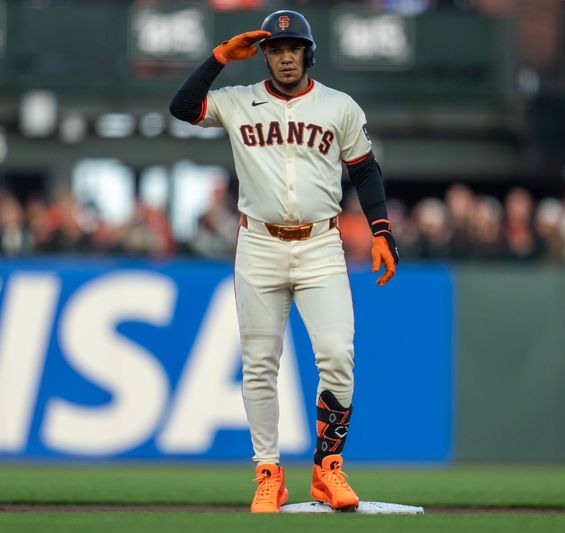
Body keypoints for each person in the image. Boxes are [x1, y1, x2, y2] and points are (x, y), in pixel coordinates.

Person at [170, 10, 398, 513]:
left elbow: (365, 171)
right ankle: (268, 473)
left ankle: (327, 470)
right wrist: (219, 57)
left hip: (320, 244)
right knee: (258, 365)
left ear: (307, 53)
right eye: (276, 48)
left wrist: (381, 231)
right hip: (259, 244)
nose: (285, 56)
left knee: (338, 356)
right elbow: (182, 107)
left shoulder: (338, 106)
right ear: (264, 54)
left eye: (293, 47)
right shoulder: (236, 101)